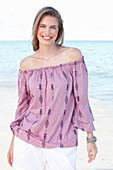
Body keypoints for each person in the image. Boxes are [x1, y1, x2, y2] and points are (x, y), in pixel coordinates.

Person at [7, 6, 98, 170]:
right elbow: (22, 107)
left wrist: (90, 139)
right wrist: (13, 142)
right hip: (26, 140)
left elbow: (82, 100)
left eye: (52, 27)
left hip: (63, 141)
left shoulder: (73, 56)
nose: (47, 31)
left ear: (59, 31)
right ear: (36, 29)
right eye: (42, 26)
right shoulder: (26, 65)